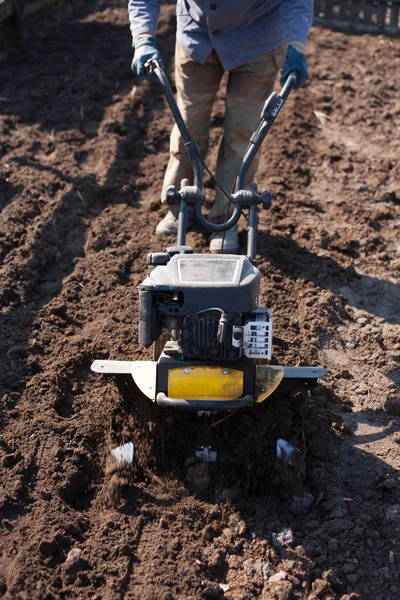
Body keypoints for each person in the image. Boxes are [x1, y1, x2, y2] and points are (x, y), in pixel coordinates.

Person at [128, 0, 312, 253]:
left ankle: (225, 218)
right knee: (188, 125)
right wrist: (143, 38)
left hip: (257, 43)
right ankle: (182, 203)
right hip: (196, 37)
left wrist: (297, 47)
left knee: (243, 133)